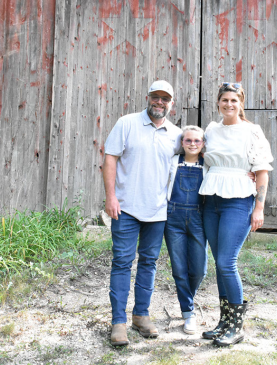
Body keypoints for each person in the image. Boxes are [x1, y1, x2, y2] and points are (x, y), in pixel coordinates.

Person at [102, 80, 182, 346]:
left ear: (172, 103)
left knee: (149, 263)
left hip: (158, 211)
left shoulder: (176, 134)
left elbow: (197, 157)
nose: (160, 102)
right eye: (155, 97)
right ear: (147, 97)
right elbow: (110, 158)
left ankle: (141, 315)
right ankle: (118, 322)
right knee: (122, 262)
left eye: (165, 99)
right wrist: (111, 197)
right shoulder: (127, 123)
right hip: (125, 208)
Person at [199, 82, 273, 347]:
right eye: (224, 100)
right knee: (219, 262)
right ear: (217, 102)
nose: (229, 104)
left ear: (241, 103)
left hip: (239, 202)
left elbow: (262, 170)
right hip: (211, 201)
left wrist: (259, 208)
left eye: (234, 100)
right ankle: (224, 322)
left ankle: (237, 327)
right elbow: (200, 155)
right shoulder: (211, 129)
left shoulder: (252, 131)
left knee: (227, 263)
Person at [164, 125, 207, 335]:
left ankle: (186, 299)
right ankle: (188, 312)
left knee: (199, 270)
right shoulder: (173, 161)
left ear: (203, 144)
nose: (192, 144)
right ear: (182, 143)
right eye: (188, 140)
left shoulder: (208, 165)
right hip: (173, 218)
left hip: (199, 218)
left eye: (197, 141)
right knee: (179, 268)